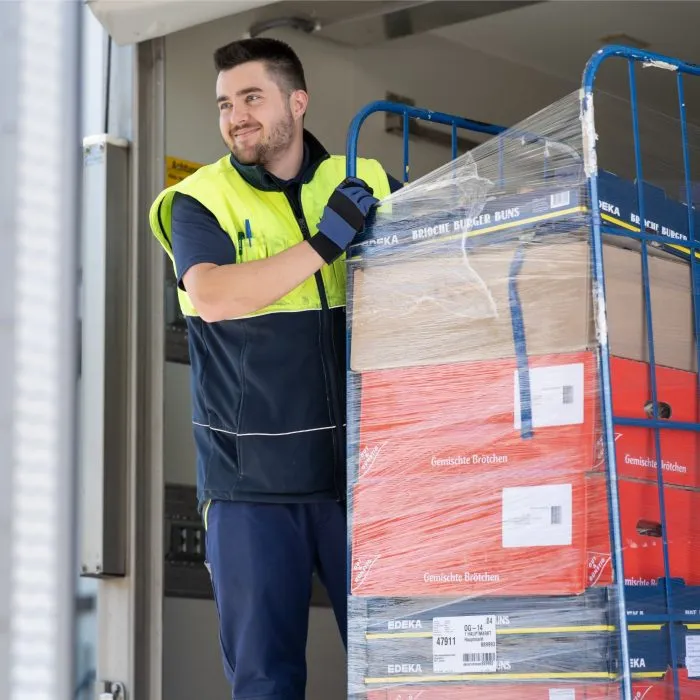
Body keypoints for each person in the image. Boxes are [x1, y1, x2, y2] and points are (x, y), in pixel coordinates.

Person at [149, 37, 402, 700]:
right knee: (266, 684)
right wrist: (326, 242)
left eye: (252, 98)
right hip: (250, 491)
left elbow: (447, 256)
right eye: (224, 104)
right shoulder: (199, 199)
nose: (236, 116)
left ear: (297, 101)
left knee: (399, 672)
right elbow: (212, 295)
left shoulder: (365, 180)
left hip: (361, 480)